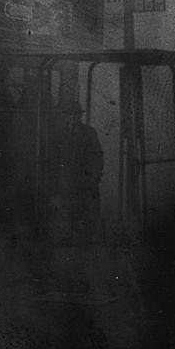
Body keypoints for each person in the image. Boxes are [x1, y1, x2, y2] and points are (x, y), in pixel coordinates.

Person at [48, 102, 104, 243]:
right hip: (66, 182)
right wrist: (55, 185)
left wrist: (95, 178)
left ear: (80, 116)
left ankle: (86, 242)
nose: (73, 118)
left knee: (87, 217)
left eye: (76, 115)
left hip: (85, 180)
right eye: (70, 115)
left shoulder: (89, 133)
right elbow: (53, 161)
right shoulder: (59, 135)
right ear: (66, 117)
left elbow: (98, 157)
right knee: (66, 216)